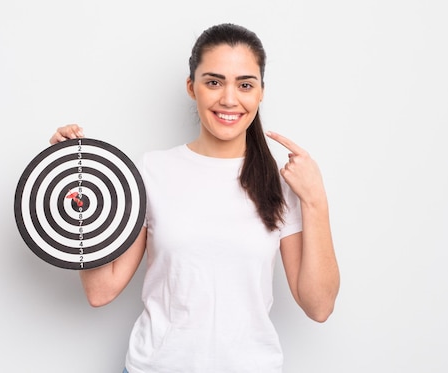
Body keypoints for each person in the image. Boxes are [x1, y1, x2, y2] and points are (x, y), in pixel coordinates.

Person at [50, 23, 339, 373]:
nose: (229, 99)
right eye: (214, 82)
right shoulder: (151, 170)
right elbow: (102, 291)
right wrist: (74, 178)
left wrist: (315, 200)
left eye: (245, 84)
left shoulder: (280, 182)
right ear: (192, 87)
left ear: (261, 92)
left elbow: (318, 306)